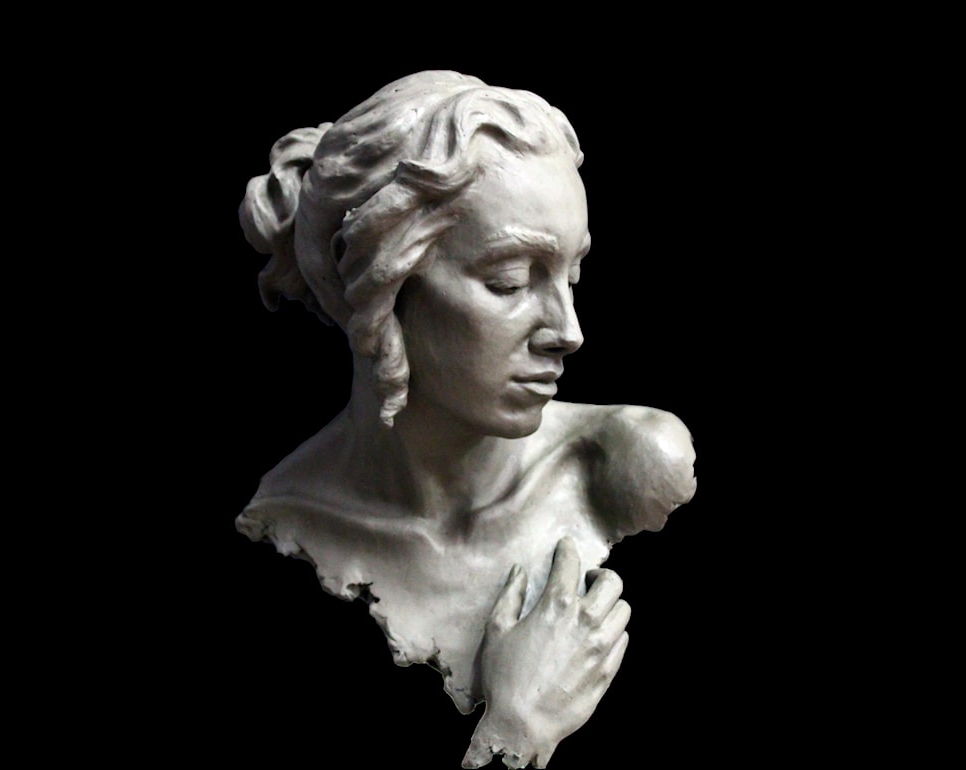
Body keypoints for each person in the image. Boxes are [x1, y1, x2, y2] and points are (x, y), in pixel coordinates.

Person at [236, 70, 697, 769]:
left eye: (571, 276)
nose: (569, 331)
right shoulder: (289, 522)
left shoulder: (628, 466)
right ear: (379, 283)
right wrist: (516, 726)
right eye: (509, 281)